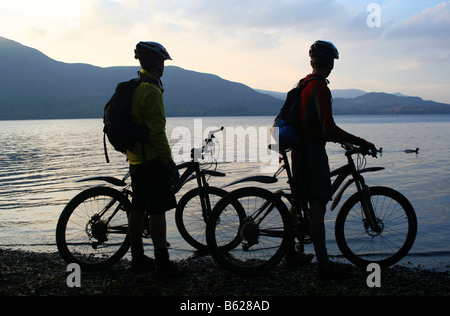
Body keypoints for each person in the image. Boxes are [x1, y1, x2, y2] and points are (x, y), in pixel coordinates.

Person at [290, 40, 376, 279]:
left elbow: (316, 124)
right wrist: (361, 142)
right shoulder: (320, 87)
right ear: (328, 62)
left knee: (299, 199)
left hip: (299, 150)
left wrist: (338, 139)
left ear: (312, 62)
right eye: (332, 62)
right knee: (317, 205)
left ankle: (290, 252)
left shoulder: (305, 83)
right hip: (312, 152)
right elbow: (328, 127)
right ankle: (324, 265)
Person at [127, 41, 186, 277]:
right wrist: (168, 162)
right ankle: (163, 263)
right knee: (158, 210)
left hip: (135, 160)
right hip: (151, 160)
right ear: (156, 64)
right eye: (162, 62)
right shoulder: (150, 90)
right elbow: (157, 132)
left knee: (138, 207)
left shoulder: (135, 86)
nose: (163, 66)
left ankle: (138, 258)